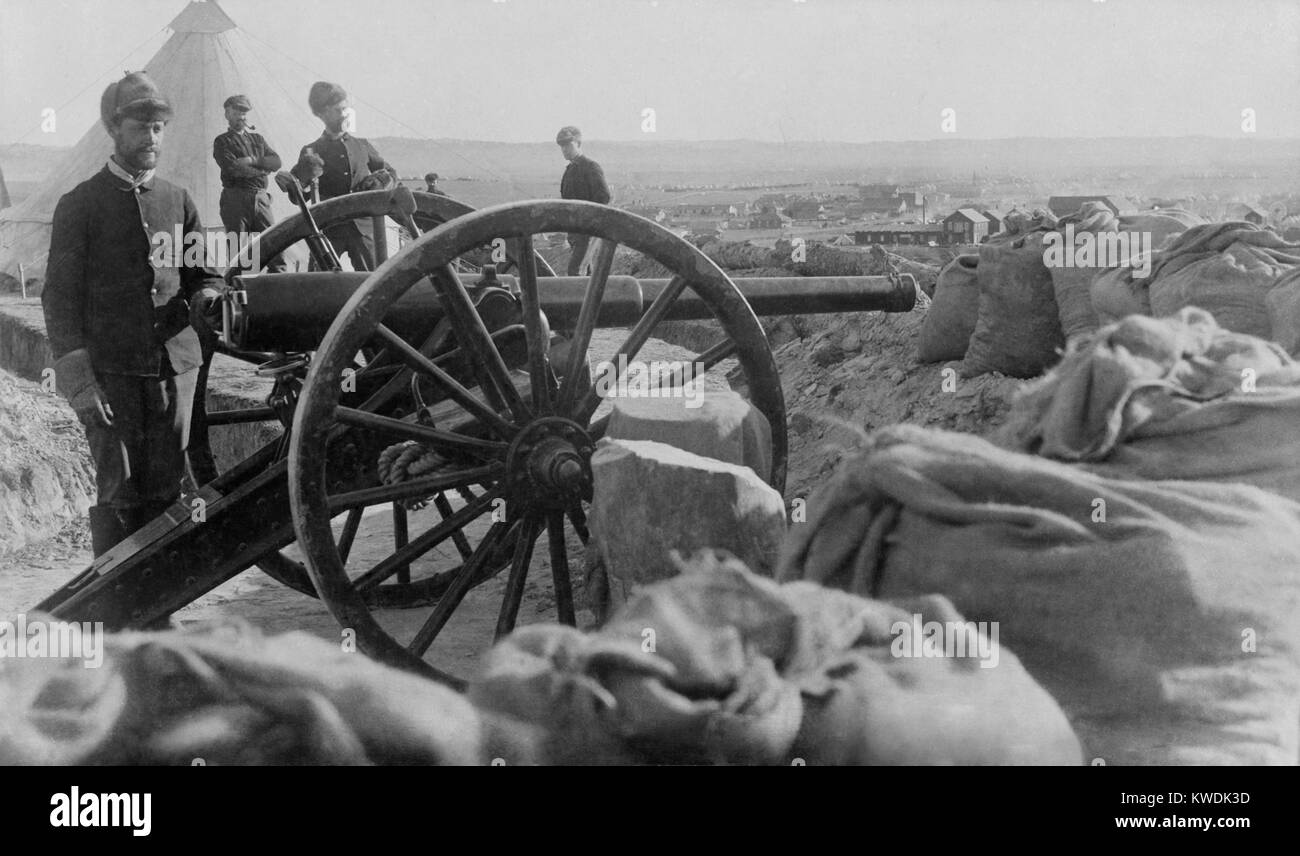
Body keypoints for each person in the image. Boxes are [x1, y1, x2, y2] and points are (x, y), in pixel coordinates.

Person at [42, 71, 224, 557]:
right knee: (118, 491)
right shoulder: (79, 206)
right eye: (140, 126)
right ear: (113, 128)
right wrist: (80, 382)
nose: (151, 137)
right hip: (111, 375)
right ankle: (116, 613)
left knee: (167, 492)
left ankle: (158, 612)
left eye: (158, 128)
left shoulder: (177, 199)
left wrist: (207, 298)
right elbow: (58, 299)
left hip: (174, 370)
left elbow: (203, 275)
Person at [291, 81, 397, 271]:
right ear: (322, 113)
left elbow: (391, 173)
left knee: (374, 282)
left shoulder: (362, 145)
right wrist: (305, 178)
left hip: (364, 229)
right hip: (328, 230)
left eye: (346, 109)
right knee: (317, 286)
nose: (345, 114)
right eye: (338, 110)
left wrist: (382, 182)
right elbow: (295, 195)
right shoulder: (311, 150)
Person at [556, 125, 611, 275]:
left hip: (587, 230)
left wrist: (589, 221)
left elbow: (604, 197)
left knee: (575, 270)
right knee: (586, 273)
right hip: (575, 232)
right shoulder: (570, 171)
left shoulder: (590, 167)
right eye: (562, 146)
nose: (564, 149)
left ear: (579, 144)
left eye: (568, 145)